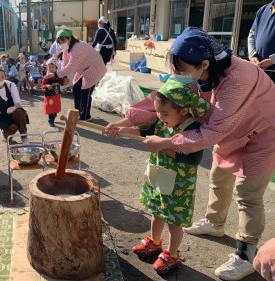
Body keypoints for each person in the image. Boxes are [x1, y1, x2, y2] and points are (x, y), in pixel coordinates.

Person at [105, 27, 275, 281]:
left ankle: (246, 253)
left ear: (204, 63)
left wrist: (166, 141)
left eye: (181, 69)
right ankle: (215, 223)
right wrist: (124, 122)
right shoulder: (198, 71)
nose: (177, 75)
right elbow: (161, 99)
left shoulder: (239, 79)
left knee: (248, 194)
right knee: (219, 178)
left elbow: (210, 132)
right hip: (228, 131)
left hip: (262, 133)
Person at [109, 79, 209, 274]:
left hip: (179, 185)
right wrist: (124, 131)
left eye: (165, 113)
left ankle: (172, 253)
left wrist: (163, 146)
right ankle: (154, 242)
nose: (160, 117)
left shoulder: (192, 128)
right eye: (158, 112)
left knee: (173, 220)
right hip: (159, 176)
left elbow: (193, 159)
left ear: (183, 111)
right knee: (156, 211)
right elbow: (146, 131)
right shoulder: (163, 119)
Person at [44, 29, 106, 120]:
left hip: (95, 69)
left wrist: (54, 75)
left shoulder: (77, 48)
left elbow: (71, 67)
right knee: (76, 88)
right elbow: (65, 61)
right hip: (84, 69)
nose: (61, 44)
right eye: (59, 42)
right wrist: (64, 76)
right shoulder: (67, 46)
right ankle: (77, 113)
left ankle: (85, 116)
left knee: (85, 93)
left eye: (63, 41)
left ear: (69, 38)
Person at [0, 65, 29, 144]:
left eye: (2, 77)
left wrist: (13, 107)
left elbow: (18, 102)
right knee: (13, 127)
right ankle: (5, 133)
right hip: (1, 116)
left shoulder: (11, 85)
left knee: (20, 112)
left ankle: (24, 137)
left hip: (14, 111)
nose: (0, 79)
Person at [248, 1, 275, 83]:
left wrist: (272, 60)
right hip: (259, 72)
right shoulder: (263, 10)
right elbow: (252, 35)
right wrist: (252, 56)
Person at [41, 58, 64, 127]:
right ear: (47, 68)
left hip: (56, 95)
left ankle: (54, 115)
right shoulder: (46, 77)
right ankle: (51, 120)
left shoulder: (58, 77)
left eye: (52, 67)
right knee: (50, 108)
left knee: (56, 107)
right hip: (49, 96)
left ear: (56, 68)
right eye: (49, 67)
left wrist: (65, 80)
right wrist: (47, 85)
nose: (51, 68)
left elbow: (62, 83)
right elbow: (42, 85)